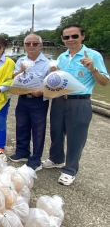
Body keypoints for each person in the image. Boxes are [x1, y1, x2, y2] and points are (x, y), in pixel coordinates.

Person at [42, 24, 109, 186]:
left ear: (82, 36)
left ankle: (70, 169)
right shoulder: (62, 57)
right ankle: (56, 158)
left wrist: (93, 69)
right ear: (62, 39)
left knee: (76, 137)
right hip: (59, 100)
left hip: (79, 101)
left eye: (74, 36)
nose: (70, 40)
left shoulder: (93, 56)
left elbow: (105, 82)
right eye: (66, 37)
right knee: (56, 132)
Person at [9, 34, 50, 172]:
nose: (31, 46)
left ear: (41, 45)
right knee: (21, 126)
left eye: (35, 43)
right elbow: (14, 79)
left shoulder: (48, 63)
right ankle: (22, 152)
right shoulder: (20, 60)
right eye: (28, 44)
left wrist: (43, 92)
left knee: (38, 130)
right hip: (23, 98)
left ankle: (36, 159)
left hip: (39, 101)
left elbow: (53, 83)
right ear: (24, 46)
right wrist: (21, 70)